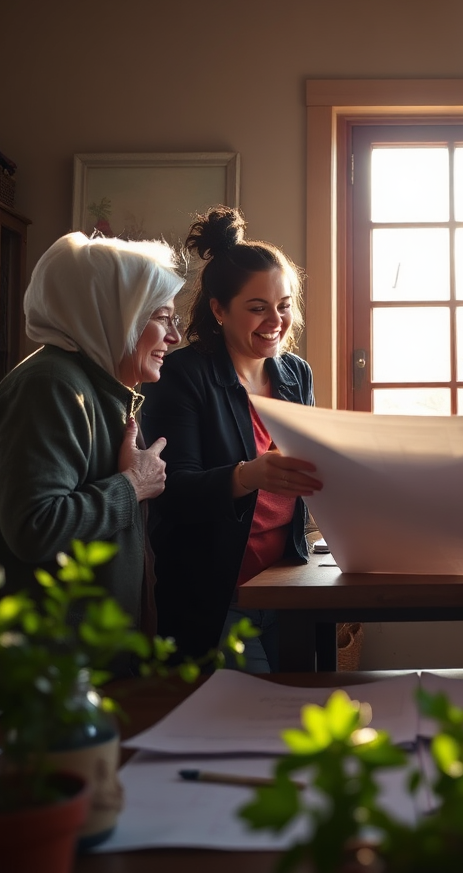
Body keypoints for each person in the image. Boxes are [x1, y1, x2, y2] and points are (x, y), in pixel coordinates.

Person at [0, 232, 183, 690]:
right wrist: (132, 486)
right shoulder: (49, 386)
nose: (174, 337)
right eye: (162, 318)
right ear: (113, 313)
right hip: (34, 679)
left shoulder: (98, 388)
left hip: (72, 673)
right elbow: (36, 526)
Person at [142, 206, 322, 672]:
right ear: (219, 310)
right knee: (247, 710)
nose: (275, 320)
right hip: (215, 596)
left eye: (284, 305)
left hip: (286, 585)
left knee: (303, 709)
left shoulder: (295, 374)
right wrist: (248, 476)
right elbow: (172, 492)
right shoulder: (181, 376)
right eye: (258, 308)